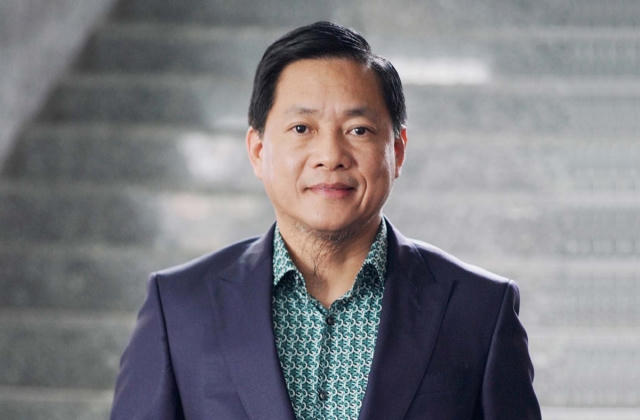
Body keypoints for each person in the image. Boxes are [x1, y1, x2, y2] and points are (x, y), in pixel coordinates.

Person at [111, 21, 541, 420]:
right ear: (258, 151)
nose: (331, 156)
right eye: (302, 128)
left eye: (358, 130)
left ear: (398, 150)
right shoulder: (179, 306)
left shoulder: (479, 309)